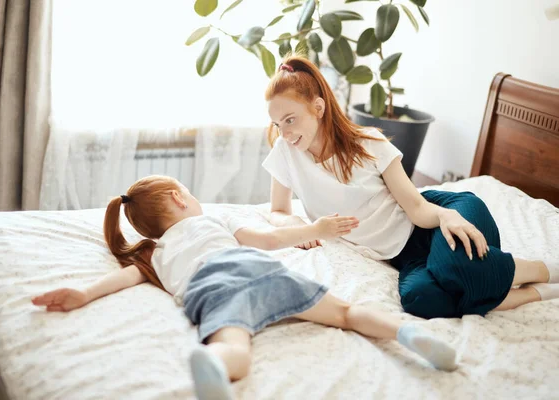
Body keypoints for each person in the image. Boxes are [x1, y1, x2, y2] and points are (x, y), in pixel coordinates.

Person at [33, 175, 458, 400]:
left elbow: (123, 278)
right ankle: (408, 334)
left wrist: (84, 294)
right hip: (252, 267)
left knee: (235, 343)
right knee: (346, 313)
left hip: (208, 287)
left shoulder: (153, 253)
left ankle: (217, 365)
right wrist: (318, 228)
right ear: (181, 200)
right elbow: (270, 240)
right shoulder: (212, 220)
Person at [262, 55, 559, 319]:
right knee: (422, 301)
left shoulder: (368, 143)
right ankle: (538, 293)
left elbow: (417, 208)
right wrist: (302, 226)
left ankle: (542, 269)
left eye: (290, 120)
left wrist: (447, 216)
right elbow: (277, 210)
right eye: (278, 124)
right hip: (404, 256)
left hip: (438, 215)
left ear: (318, 107)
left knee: (454, 270)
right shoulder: (286, 154)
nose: (285, 133)